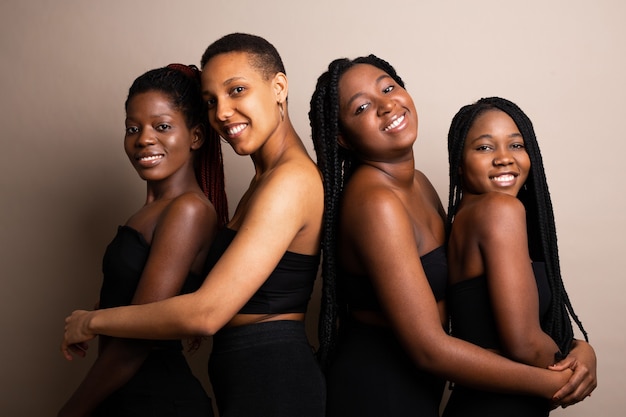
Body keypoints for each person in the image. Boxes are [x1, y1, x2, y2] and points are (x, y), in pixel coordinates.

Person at [309, 55, 596, 417]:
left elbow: (472, 303)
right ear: (341, 137)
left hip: (422, 386)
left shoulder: (417, 184)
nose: (386, 105)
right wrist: (557, 381)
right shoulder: (375, 203)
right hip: (380, 389)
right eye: (362, 106)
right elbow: (428, 348)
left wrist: (576, 347)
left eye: (388, 88)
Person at [62, 33, 326, 417]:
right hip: (250, 373)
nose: (221, 111)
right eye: (211, 101)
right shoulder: (265, 179)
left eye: (237, 90)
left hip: (274, 375)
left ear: (279, 87)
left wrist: (93, 322)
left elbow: (207, 314)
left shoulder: (291, 181)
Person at [58, 64, 228, 417]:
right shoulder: (153, 211)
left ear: (195, 136)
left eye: (162, 126)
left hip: (159, 401)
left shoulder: (189, 211)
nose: (144, 139)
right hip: (125, 396)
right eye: (132, 128)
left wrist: (69, 412)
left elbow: (136, 343)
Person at [442, 96, 594, 416]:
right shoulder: (500, 210)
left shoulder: (465, 219)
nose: (504, 159)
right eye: (484, 148)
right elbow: (523, 344)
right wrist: (573, 368)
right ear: (459, 161)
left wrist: (581, 349)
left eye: (515, 145)